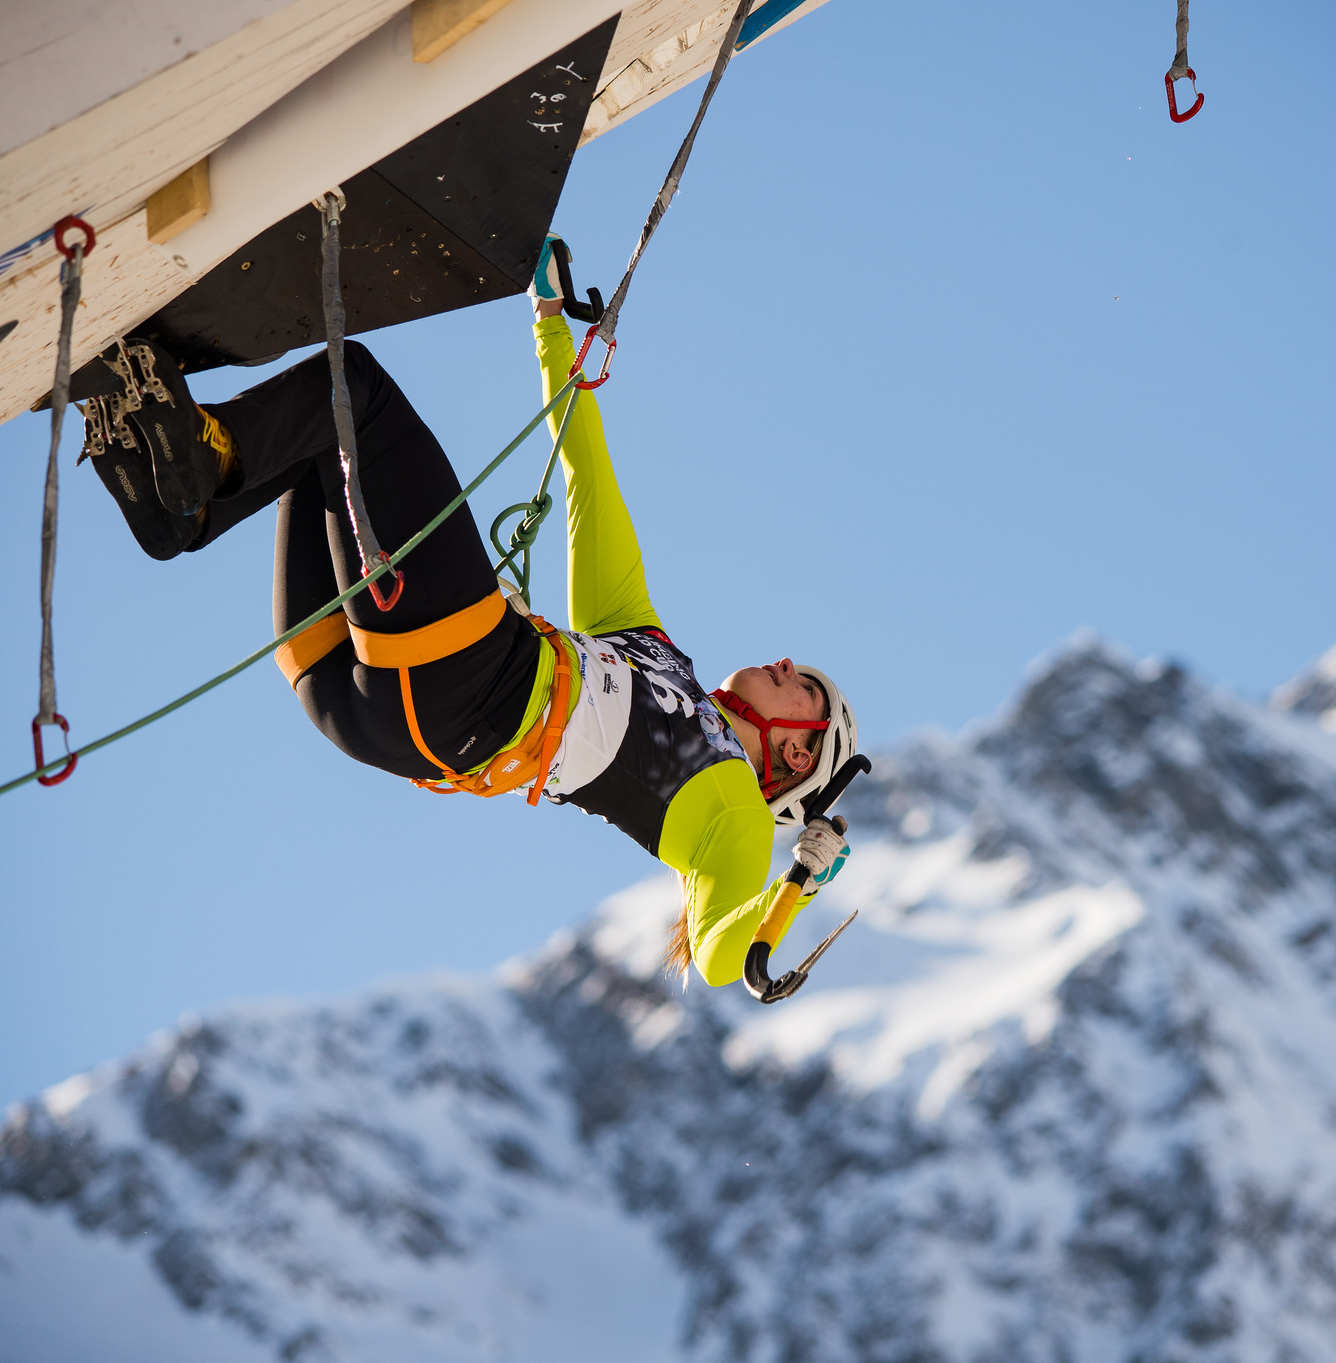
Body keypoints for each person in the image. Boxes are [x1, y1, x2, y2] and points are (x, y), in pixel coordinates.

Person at [73, 251, 857, 986]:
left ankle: (196, 458)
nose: (791, 666)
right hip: (374, 711)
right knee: (322, 444)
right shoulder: (649, 648)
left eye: (809, 693)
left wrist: (796, 885)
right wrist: (549, 320)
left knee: (356, 393)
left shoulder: (737, 819)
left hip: (464, 681)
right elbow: (588, 480)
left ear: (793, 757)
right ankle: (180, 504)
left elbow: (721, 958)